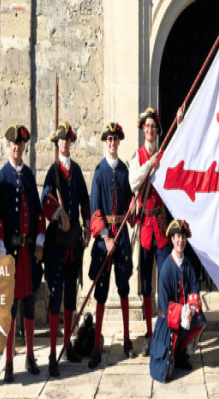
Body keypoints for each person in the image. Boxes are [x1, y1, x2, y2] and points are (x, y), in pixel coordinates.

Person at [0, 125, 55, 382]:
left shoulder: (27, 175)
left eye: (21, 145)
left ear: (25, 147)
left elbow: (38, 212)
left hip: (28, 253)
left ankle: (29, 356)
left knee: (28, 302)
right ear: (8, 146)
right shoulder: (2, 177)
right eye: (14, 144)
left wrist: (40, 241)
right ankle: (8, 362)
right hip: (10, 253)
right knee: (9, 308)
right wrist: (1, 248)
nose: (18, 148)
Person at [42, 122, 91, 376]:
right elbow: (45, 201)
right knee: (55, 297)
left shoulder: (77, 171)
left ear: (71, 142)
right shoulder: (53, 172)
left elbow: (85, 200)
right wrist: (59, 213)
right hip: (56, 246)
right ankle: (52, 354)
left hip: (73, 243)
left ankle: (67, 345)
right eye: (61, 140)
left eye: (67, 139)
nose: (64, 143)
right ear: (57, 143)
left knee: (71, 296)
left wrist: (86, 227)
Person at [88, 122, 136, 368]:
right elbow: (94, 211)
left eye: (115, 139)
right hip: (105, 240)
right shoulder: (99, 172)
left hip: (123, 237)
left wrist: (132, 205)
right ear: (105, 142)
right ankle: (96, 345)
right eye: (108, 139)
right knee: (102, 291)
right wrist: (106, 238)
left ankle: (127, 340)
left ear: (119, 142)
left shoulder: (125, 171)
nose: (112, 143)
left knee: (124, 287)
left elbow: (129, 201)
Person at [128, 108, 171, 357]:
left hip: (162, 228)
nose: (150, 130)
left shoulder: (165, 154)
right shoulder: (139, 155)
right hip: (145, 228)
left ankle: (164, 330)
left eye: (154, 126)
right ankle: (149, 332)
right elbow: (134, 182)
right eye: (147, 127)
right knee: (146, 285)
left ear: (157, 130)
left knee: (164, 280)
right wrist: (149, 164)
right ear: (143, 130)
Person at [150, 220, 207, 382]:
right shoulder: (166, 268)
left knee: (200, 321)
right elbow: (163, 304)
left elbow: (195, 289)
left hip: (184, 314)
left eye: (183, 237)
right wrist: (183, 312)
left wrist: (191, 310)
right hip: (168, 320)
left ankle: (180, 353)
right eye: (177, 237)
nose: (180, 241)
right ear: (172, 240)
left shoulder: (188, 265)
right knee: (165, 373)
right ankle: (173, 352)